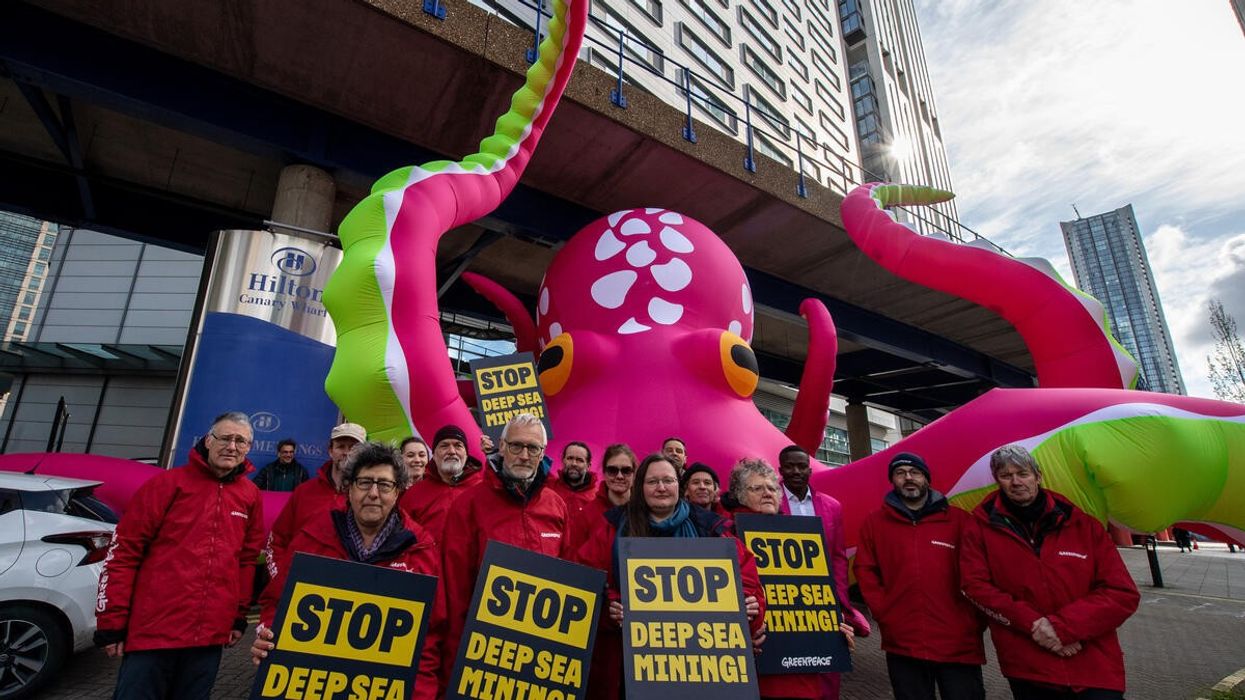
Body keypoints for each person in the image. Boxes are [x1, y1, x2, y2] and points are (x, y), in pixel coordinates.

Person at [251, 441, 442, 700]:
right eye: (364, 482)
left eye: (385, 485)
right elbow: (277, 601)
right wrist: (267, 635)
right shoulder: (313, 537)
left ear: (397, 493)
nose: (374, 493)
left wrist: (419, 693)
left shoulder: (420, 548)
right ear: (349, 488)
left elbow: (428, 638)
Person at [94, 412, 265, 699]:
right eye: (225, 438)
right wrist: (112, 622)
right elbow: (123, 554)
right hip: (153, 634)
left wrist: (238, 616)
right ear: (208, 441)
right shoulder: (167, 484)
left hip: (209, 637)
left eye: (240, 441)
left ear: (248, 448)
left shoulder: (250, 495)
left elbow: (246, 561)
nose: (232, 447)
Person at [576, 454, 766, 700]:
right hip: (630, 668)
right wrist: (611, 609)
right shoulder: (612, 527)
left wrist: (748, 607)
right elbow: (587, 581)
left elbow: (749, 581)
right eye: (653, 482)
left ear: (680, 486)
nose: (662, 488)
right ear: (640, 487)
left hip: (703, 668)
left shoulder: (711, 528)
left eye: (668, 480)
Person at [961, 444, 1140, 700]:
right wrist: (1035, 625)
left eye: (1022, 473)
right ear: (997, 481)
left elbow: (1122, 593)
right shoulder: (979, 527)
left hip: (1092, 661)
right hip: (1030, 664)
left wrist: (1063, 628)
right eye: (1006, 475)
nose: (1016, 481)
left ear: (1038, 476)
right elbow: (974, 586)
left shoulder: (1083, 525)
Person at [440, 413, 569, 675]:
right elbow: (454, 593)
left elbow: (568, 582)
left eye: (533, 448)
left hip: (541, 658)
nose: (524, 455)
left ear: (542, 452)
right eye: (516, 446)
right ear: (501, 446)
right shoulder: (468, 505)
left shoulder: (556, 506)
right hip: (482, 654)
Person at [854, 452, 986, 699]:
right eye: (900, 473)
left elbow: (980, 573)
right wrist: (885, 613)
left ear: (927, 478)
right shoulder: (875, 523)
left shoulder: (959, 521)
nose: (908, 478)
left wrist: (974, 619)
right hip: (904, 641)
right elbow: (864, 570)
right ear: (893, 480)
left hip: (958, 642)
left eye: (914, 472)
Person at [727, 458, 855, 700]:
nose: (767, 493)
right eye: (757, 488)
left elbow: (817, 595)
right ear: (740, 495)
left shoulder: (802, 535)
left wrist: (831, 627)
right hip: (754, 672)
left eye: (772, 488)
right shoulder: (726, 537)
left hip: (801, 675)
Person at [265, 422, 366, 574]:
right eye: (341, 446)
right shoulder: (304, 492)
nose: (347, 452)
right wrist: (281, 577)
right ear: (330, 451)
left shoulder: (369, 497)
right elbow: (277, 540)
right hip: (296, 583)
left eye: (354, 448)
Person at [399, 424, 484, 540]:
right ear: (433, 455)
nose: (452, 451)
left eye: (458, 445)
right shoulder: (413, 495)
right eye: (444, 446)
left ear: (466, 454)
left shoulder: (483, 490)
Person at [548, 441, 599, 519]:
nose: (574, 463)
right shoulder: (549, 488)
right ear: (563, 461)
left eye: (579, 460)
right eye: (570, 458)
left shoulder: (596, 498)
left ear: (588, 466)